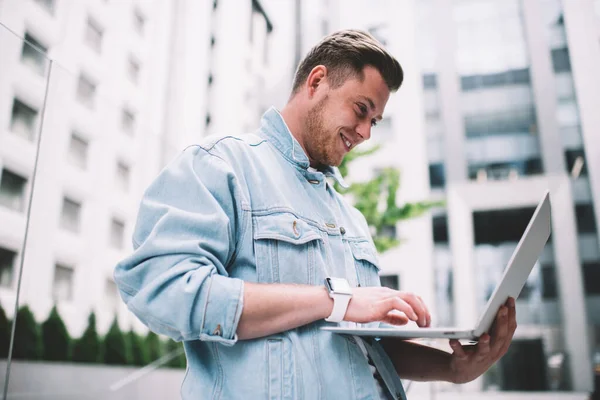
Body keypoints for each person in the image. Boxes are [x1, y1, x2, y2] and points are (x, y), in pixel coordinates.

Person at [114, 29, 517, 399]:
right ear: (317, 81)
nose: (366, 132)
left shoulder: (350, 218)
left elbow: (364, 345)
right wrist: (334, 301)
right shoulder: (220, 166)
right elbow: (162, 291)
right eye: (361, 109)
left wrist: (454, 367)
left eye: (374, 120)